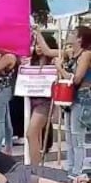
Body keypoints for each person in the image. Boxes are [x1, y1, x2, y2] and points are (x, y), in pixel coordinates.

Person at [36, 26, 91, 175]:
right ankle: (70, 167)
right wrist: (37, 32)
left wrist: (60, 68)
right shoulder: (71, 52)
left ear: (80, 38)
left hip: (82, 98)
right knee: (69, 135)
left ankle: (77, 171)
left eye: (74, 33)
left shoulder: (86, 55)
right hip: (69, 98)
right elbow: (47, 51)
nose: (70, 35)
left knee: (77, 136)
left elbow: (77, 78)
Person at [26, 33, 58, 165]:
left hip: (45, 102)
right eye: (36, 44)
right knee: (37, 134)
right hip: (32, 99)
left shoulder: (54, 60)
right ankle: (38, 164)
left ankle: (35, 168)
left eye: (41, 43)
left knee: (31, 132)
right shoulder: (31, 61)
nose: (38, 47)